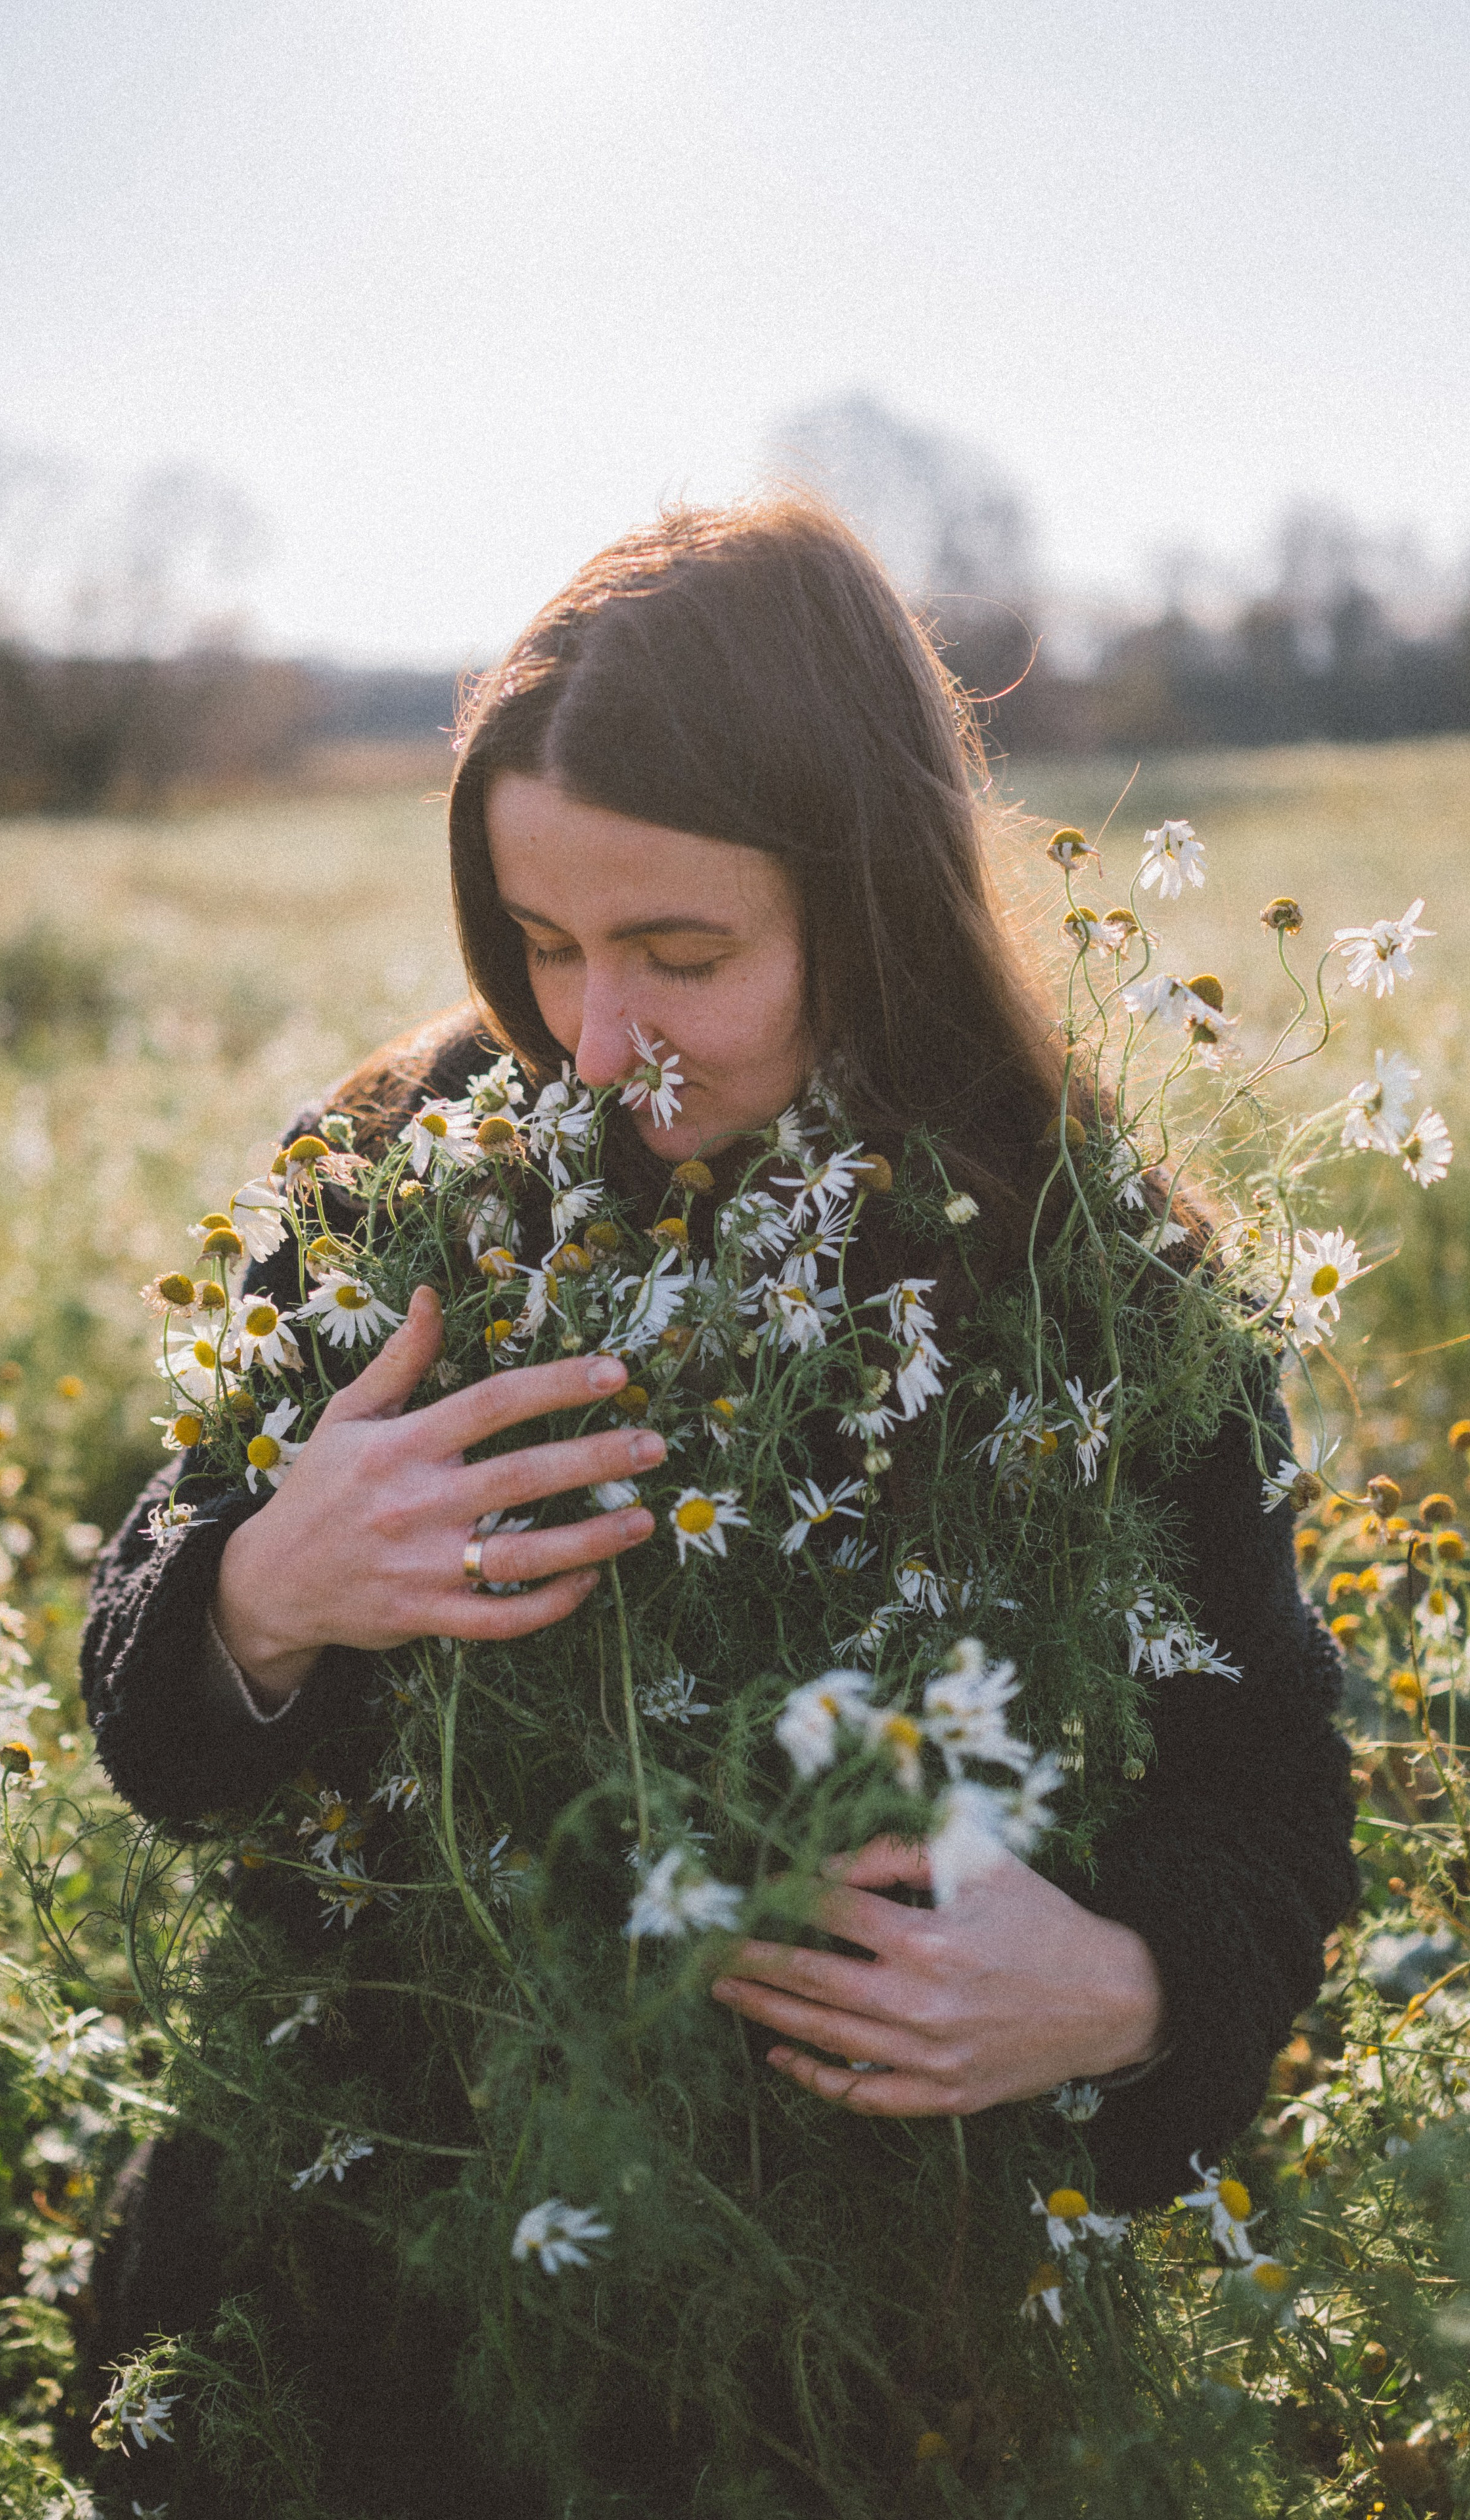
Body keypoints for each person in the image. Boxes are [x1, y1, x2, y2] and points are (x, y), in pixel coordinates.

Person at [81, 493, 1358, 2500]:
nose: (596, 1043)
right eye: (543, 941)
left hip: (823, 2355)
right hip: (341, 2302)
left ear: (875, 903)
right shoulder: (402, 1176)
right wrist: (265, 1588)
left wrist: (1126, 1988)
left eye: (682, 953)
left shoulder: (1094, 1271)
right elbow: (152, 1716)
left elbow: (1275, 1786)